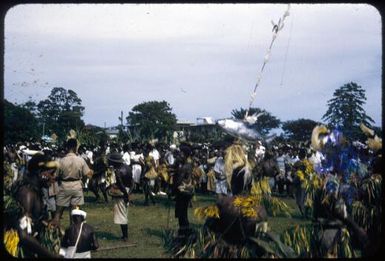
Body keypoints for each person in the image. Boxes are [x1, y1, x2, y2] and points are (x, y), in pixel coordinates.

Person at [50, 138, 93, 227]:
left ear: (67, 147)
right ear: (75, 147)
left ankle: (54, 234)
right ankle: (74, 234)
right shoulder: (80, 160)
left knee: (58, 213)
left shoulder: (61, 161)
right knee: (75, 214)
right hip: (77, 186)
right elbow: (88, 174)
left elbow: (56, 176)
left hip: (64, 186)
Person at [107, 151, 134, 241]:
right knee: (124, 213)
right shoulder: (128, 167)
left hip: (122, 193)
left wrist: (126, 195)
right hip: (127, 190)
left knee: (122, 215)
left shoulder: (118, 171)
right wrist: (129, 192)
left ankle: (125, 236)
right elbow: (132, 182)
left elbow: (121, 185)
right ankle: (124, 235)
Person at [172, 143, 194, 236]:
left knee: (182, 213)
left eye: (181, 154)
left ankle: (184, 232)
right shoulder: (188, 165)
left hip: (182, 192)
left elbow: (178, 181)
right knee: (183, 212)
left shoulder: (184, 166)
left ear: (185, 155)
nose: (179, 155)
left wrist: (172, 190)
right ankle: (184, 231)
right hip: (187, 191)